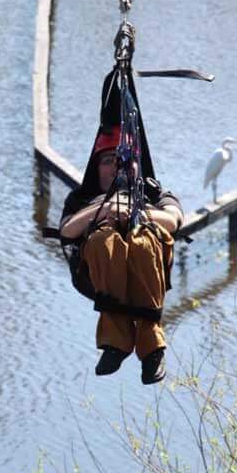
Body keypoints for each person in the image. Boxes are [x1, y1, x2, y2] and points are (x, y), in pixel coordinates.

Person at [60, 125, 183, 384]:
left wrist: (138, 211)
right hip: (97, 269)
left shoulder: (154, 192)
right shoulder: (82, 198)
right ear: (97, 167)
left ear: (137, 166)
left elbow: (174, 219)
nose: (118, 168)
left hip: (148, 262)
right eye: (109, 161)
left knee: (143, 240)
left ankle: (151, 345)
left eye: (126, 162)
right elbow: (68, 230)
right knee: (104, 239)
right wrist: (104, 210)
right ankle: (116, 340)